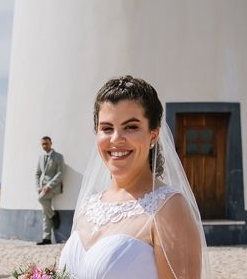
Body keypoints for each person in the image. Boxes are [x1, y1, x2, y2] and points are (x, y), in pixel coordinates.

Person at [59, 76, 210, 278]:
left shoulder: (169, 208)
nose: (116, 139)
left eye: (131, 127)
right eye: (106, 128)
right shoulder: (89, 206)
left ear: (153, 135)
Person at [35, 135, 65, 245]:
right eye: (43, 144)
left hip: (53, 187)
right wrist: (38, 187)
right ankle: (46, 238)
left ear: (51, 143)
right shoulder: (41, 157)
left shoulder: (58, 157)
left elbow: (60, 173)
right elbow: (37, 173)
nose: (45, 146)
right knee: (44, 212)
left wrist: (49, 186)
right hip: (42, 188)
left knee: (40, 199)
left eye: (46, 143)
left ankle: (53, 215)